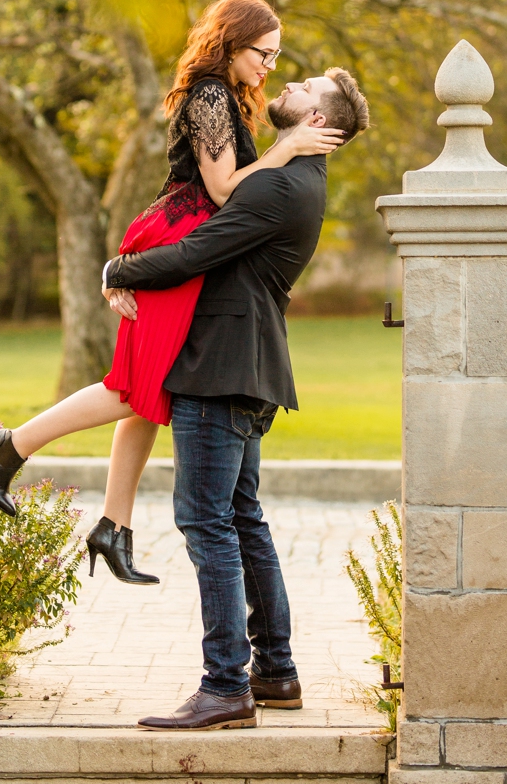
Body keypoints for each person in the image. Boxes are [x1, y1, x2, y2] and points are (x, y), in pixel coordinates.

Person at [0, 0, 343, 584]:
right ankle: (11, 445)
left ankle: (112, 527)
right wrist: (286, 149)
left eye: (276, 56)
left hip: (182, 237)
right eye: (263, 53)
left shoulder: (228, 97)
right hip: (180, 236)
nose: (270, 67)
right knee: (136, 386)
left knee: (151, 387)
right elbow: (223, 190)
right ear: (231, 41)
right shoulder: (212, 95)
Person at [112, 65, 371, 731]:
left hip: (220, 371)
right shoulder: (294, 179)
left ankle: (225, 686)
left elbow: (197, 251)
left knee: (207, 522)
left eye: (306, 86)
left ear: (318, 121)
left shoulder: (282, 186)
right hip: (248, 370)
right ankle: (275, 673)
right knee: (241, 517)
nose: (289, 83)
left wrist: (118, 270)